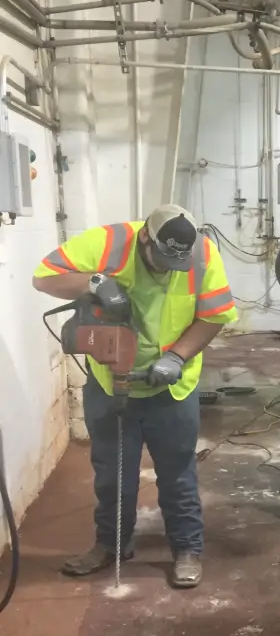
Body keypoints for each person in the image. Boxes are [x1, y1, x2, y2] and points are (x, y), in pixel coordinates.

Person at [33, 206, 237, 589]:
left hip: (172, 388)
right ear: (146, 237)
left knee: (177, 474)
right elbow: (43, 277)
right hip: (111, 384)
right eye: (162, 259)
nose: (167, 269)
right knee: (113, 474)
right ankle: (110, 544)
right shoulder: (107, 243)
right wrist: (96, 282)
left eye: (177, 262)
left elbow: (215, 314)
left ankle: (187, 549)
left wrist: (177, 357)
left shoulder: (204, 255)